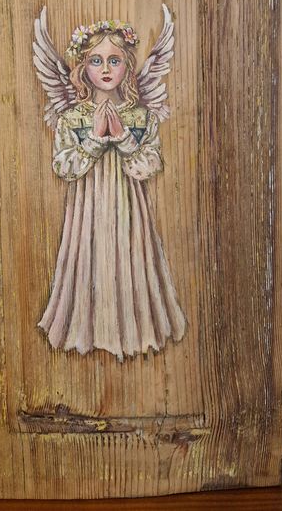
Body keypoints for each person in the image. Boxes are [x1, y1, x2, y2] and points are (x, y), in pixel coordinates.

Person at [36, 21, 186, 361]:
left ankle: (134, 332)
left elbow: (150, 165)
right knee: (90, 258)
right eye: (96, 61)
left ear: (128, 66)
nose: (105, 69)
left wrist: (122, 138)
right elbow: (64, 167)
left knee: (130, 258)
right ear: (83, 68)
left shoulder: (141, 117)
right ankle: (87, 331)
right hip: (87, 210)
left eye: (114, 60)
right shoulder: (72, 117)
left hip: (128, 207)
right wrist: (93, 139)